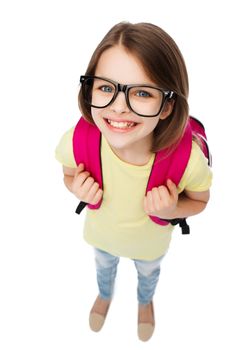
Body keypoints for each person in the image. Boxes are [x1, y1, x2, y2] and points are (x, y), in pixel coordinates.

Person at [55, 22, 212, 341]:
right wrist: (74, 187)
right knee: (103, 269)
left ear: (168, 105)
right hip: (102, 235)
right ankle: (105, 295)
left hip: (150, 244)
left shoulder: (188, 160)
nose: (118, 106)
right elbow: (68, 172)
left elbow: (201, 199)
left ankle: (145, 302)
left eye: (141, 92)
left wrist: (172, 210)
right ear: (90, 88)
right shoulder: (78, 141)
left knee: (148, 275)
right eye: (105, 87)